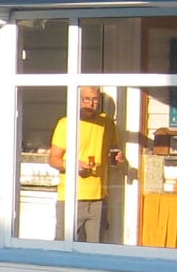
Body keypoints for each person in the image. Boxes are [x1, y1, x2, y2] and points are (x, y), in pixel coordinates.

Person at [48, 86, 122, 241]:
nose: (90, 103)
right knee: (63, 245)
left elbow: (111, 152)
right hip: (71, 196)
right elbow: (53, 159)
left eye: (95, 99)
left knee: (95, 247)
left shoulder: (106, 122)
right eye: (86, 99)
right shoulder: (66, 123)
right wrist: (73, 166)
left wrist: (117, 158)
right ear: (78, 99)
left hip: (98, 197)